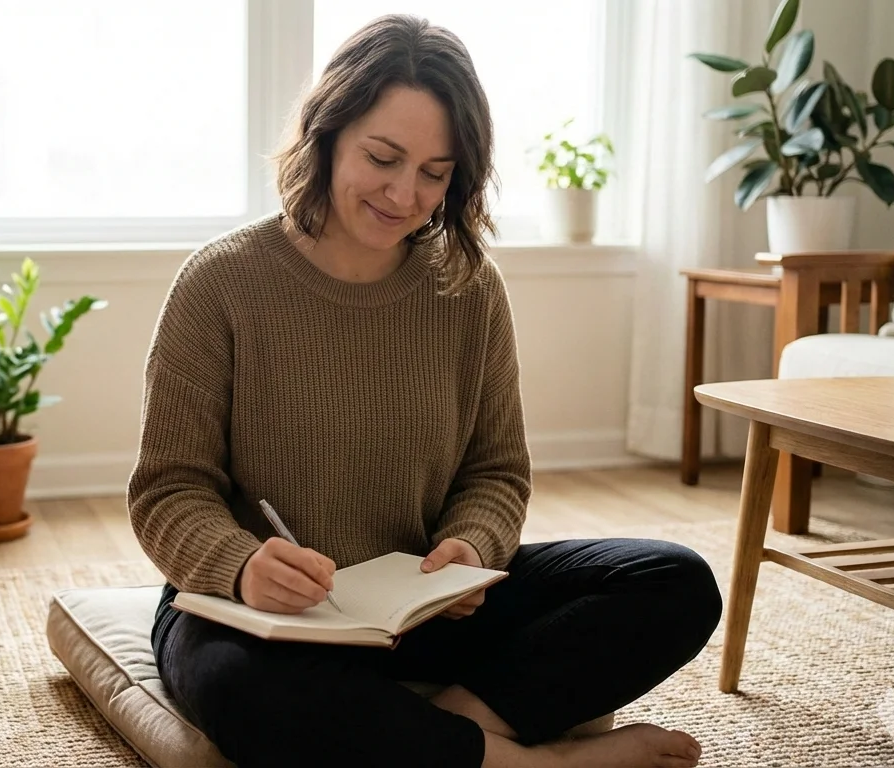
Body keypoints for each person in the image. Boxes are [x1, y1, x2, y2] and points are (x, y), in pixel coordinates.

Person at [128, 13, 722, 768]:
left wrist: (472, 548)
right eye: (383, 157)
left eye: (434, 173)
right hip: (262, 616)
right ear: (329, 131)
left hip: (421, 610)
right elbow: (167, 489)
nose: (405, 194)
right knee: (243, 693)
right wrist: (242, 565)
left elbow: (496, 472)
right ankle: (542, 764)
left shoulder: (468, 290)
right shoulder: (220, 283)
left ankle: (447, 728)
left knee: (674, 583)